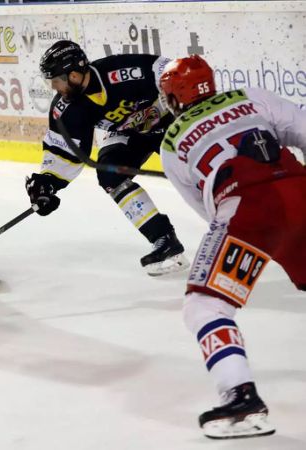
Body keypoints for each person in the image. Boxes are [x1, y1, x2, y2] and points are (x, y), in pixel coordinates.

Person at [159, 55, 306, 439]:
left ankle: (241, 397)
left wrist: (262, 236)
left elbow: (208, 210)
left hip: (246, 209)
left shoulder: (172, 142)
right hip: (301, 188)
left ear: (174, 98)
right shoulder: (249, 95)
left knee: (205, 305)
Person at [27, 40, 188, 276]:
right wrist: (47, 183)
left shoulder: (118, 71)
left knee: (197, 167)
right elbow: (64, 152)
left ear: (74, 74)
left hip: (169, 120)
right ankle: (164, 240)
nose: (54, 87)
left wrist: (184, 107)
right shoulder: (67, 108)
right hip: (126, 133)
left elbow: (170, 70)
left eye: (58, 80)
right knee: (109, 175)